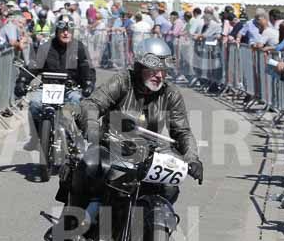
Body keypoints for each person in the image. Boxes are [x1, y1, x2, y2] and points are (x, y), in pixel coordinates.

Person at [72, 37, 204, 205]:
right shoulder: (123, 81)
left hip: (149, 153)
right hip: (111, 145)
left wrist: (192, 158)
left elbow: (182, 131)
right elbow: (92, 104)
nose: (159, 75)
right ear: (140, 67)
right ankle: (74, 221)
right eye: (153, 69)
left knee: (169, 188)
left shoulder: (171, 93)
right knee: (89, 169)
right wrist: (92, 130)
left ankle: (155, 222)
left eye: (163, 70)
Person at [16, 14, 95, 150]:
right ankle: (35, 137)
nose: (65, 33)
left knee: (79, 102)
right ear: (56, 31)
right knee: (34, 103)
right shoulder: (45, 46)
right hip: (47, 87)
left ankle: (78, 137)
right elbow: (33, 66)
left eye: (68, 30)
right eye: (62, 30)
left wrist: (88, 83)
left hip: (71, 88)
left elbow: (87, 67)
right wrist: (22, 81)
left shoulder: (80, 47)